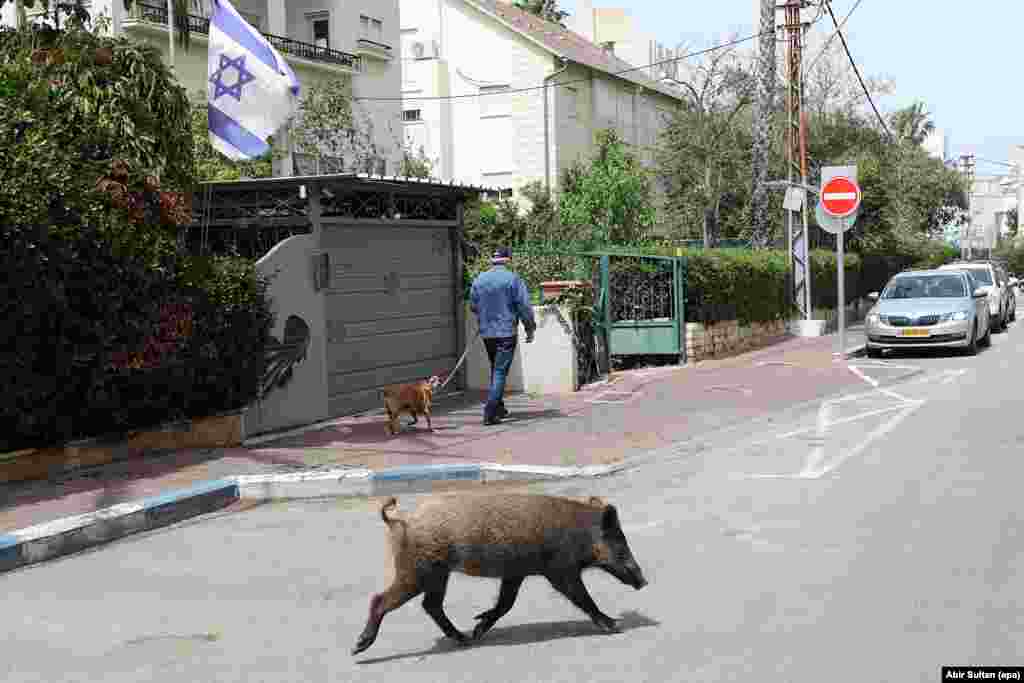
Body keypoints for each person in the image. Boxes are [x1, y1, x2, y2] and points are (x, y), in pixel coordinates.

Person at [469, 246, 537, 425]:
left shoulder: (479, 279)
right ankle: (490, 412)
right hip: (506, 332)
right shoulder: (513, 279)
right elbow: (524, 306)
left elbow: (473, 306)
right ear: (507, 260)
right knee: (500, 371)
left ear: (493, 260)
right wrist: (530, 328)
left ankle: (499, 407)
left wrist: (485, 316)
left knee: (496, 368)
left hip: (487, 333)